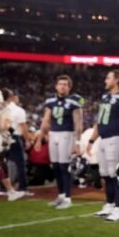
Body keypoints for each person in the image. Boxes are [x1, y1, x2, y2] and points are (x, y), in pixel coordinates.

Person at [87, 70, 119, 222]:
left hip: (115, 138)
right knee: (105, 174)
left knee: (115, 175)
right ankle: (109, 205)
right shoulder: (105, 97)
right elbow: (99, 122)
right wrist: (92, 140)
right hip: (103, 139)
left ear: (117, 79)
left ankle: (118, 209)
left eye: (108, 77)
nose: (105, 80)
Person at [35, 75, 84, 209]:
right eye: (60, 84)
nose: (62, 86)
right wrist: (39, 138)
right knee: (56, 166)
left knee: (64, 166)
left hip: (67, 134)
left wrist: (78, 142)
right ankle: (61, 195)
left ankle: (68, 198)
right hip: (53, 134)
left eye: (65, 84)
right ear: (56, 86)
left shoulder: (75, 100)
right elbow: (46, 120)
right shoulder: (51, 100)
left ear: (69, 87)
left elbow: (78, 123)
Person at [0, 89, 31, 195]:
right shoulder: (18, 110)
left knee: (2, 164)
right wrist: (27, 139)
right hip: (13, 137)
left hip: (0, 138)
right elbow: (22, 126)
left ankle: (4, 188)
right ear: (11, 97)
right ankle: (23, 188)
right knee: (20, 163)